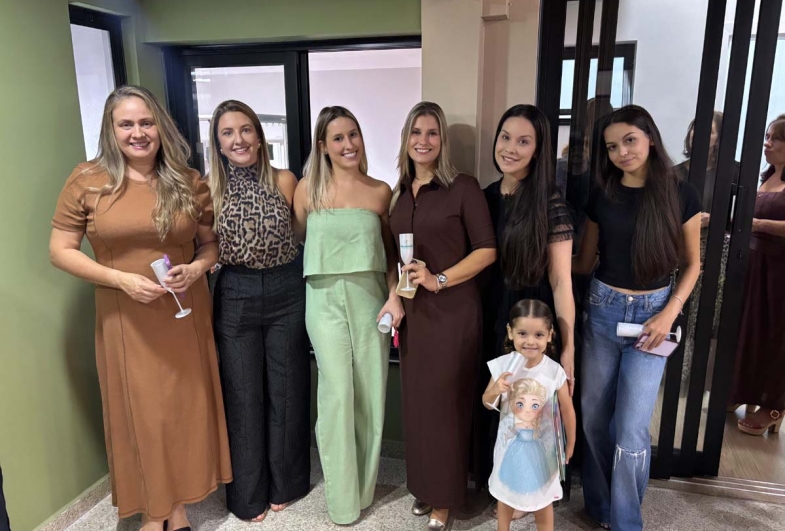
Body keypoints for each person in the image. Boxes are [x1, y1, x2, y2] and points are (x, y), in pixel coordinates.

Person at [49, 85, 231, 530]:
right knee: (143, 414)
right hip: (124, 318)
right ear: (111, 130)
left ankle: (177, 508)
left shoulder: (188, 181)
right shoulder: (88, 181)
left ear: (160, 127)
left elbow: (210, 245)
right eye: (126, 124)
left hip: (184, 315)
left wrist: (197, 268)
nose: (138, 133)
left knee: (182, 411)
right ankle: (156, 512)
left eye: (146, 122)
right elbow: (60, 250)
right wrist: (120, 280)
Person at [573, 105, 701, 531]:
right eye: (612, 147)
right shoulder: (601, 194)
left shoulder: (681, 194)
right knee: (594, 417)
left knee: (630, 428)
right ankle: (600, 507)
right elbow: (585, 260)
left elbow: (693, 264)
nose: (622, 152)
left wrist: (669, 313)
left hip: (654, 317)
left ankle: (626, 521)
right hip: (603, 309)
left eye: (629, 140)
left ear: (649, 137)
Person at [292, 106, 404, 525]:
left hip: (371, 298)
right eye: (338, 138)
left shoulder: (380, 191)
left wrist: (394, 296)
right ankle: (341, 499)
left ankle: (364, 489)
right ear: (323, 146)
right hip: (322, 300)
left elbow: (391, 255)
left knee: (371, 393)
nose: (348, 144)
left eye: (353, 134)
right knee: (336, 394)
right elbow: (300, 238)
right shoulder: (307, 190)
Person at [389, 101, 496, 531]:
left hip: (453, 315)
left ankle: (446, 499)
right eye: (416, 132)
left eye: (432, 133)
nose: (423, 141)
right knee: (418, 407)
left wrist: (440, 279)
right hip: (414, 315)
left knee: (447, 407)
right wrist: (394, 297)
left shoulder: (463, 187)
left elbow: (487, 251)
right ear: (406, 139)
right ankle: (426, 487)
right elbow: (392, 259)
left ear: (442, 140)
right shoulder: (398, 193)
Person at [207, 100, 310, 521]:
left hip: (287, 289)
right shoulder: (209, 189)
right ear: (218, 143)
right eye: (228, 133)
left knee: (286, 390)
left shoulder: (286, 180)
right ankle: (247, 496)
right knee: (243, 394)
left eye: (246, 129)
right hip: (235, 292)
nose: (239, 140)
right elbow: (204, 245)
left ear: (259, 135)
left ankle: (287, 483)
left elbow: (300, 234)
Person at [479, 105, 574, 518]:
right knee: (497, 400)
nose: (510, 148)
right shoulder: (484, 197)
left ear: (538, 150)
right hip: (490, 313)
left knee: (529, 410)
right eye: (505, 137)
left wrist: (567, 348)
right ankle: (500, 485)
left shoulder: (550, 204)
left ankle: (528, 491)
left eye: (523, 141)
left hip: (531, 319)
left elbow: (562, 282)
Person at [482, 299, 576, 531]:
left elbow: (567, 409)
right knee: (506, 494)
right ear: (510, 332)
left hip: (543, 452)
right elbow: (487, 402)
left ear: (550, 335)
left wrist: (570, 442)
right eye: (522, 333)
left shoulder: (554, 371)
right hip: (508, 449)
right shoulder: (503, 366)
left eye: (539, 335)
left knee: (542, 499)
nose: (530, 341)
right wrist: (496, 389)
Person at [728, 114, 785, 436]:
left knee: (776, 336)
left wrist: (757, 224)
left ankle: (773, 406)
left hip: (779, 270)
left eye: (775, 138)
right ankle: (744, 392)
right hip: (753, 264)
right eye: (767, 136)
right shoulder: (765, 176)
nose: (767, 144)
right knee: (749, 332)